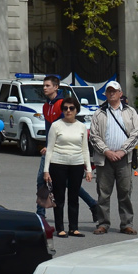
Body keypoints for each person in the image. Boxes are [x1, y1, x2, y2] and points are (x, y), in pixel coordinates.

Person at [38, 76, 100, 223]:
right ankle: (93, 205)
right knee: (49, 180)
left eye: (47, 85)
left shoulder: (62, 105)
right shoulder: (46, 106)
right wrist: (47, 145)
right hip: (52, 149)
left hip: (63, 152)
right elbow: (50, 129)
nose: (44, 88)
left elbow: (66, 127)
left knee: (60, 182)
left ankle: (40, 215)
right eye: (44, 85)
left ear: (55, 87)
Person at [89, 81, 138, 235]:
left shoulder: (130, 112)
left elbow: (136, 134)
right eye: (109, 91)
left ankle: (126, 224)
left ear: (120, 93)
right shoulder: (99, 113)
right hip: (104, 159)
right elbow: (94, 136)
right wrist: (107, 151)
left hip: (124, 158)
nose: (111, 93)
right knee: (103, 193)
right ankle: (103, 223)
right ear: (105, 94)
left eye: (114, 91)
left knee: (125, 192)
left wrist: (122, 151)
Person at [43, 95, 93, 237]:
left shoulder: (82, 127)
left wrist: (88, 169)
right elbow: (50, 149)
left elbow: (85, 149)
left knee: (74, 196)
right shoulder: (56, 125)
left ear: (76, 110)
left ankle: (73, 228)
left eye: (71, 108)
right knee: (59, 197)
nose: (68, 111)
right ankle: (60, 228)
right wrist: (46, 170)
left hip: (76, 164)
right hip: (58, 164)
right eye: (65, 108)